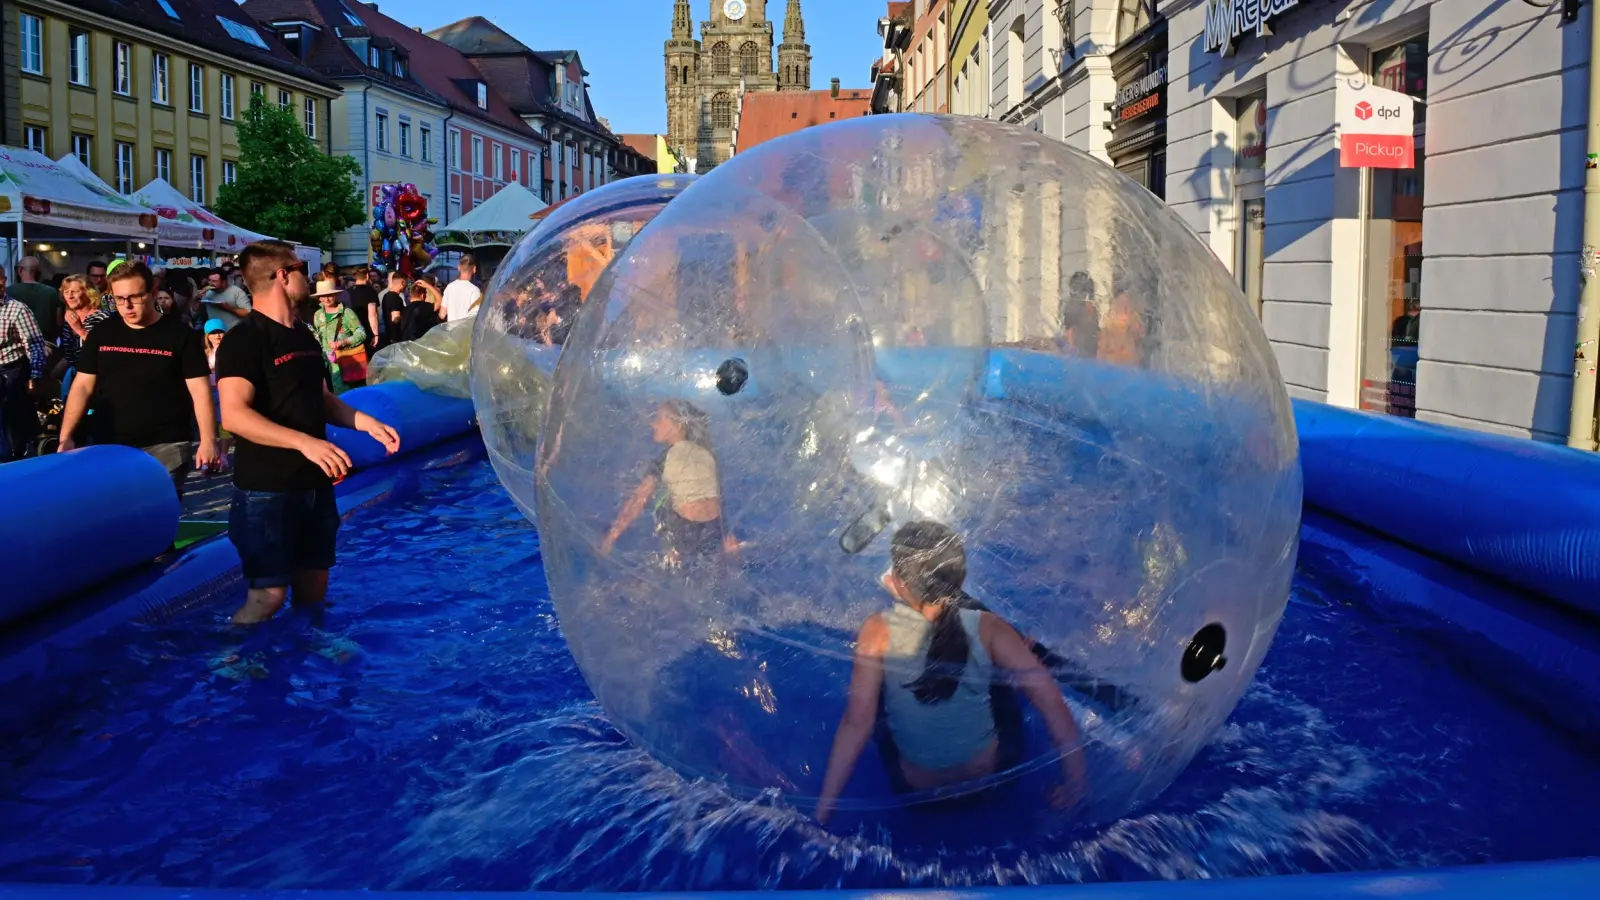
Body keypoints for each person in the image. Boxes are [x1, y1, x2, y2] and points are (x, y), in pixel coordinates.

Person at [813, 521, 1088, 826]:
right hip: (992, 782)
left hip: (918, 797)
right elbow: (1052, 703)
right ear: (961, 577)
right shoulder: (989, 626)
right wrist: (1076, 787)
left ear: (898, 582)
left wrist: (823, 811)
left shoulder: (876, 630)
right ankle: (1008, 659)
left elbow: (856, 725)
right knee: (1001, 674)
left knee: (873, 690)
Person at [218, 241, 399, 626]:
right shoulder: (244, 339)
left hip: (314, 485)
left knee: (314, 587)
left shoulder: (302, 335)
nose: (311, 277)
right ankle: (234, 662)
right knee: (267, 598)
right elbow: (233, 415)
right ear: (283, 275)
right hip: (267, 489)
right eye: (303, 268)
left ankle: (311, 653)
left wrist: (368, 424)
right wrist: (304, 442)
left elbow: (322, 399)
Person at [56, 262, 220, 494]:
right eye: (119, 299)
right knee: (114, 515)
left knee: (155, 516)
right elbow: (82, 386)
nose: (127, 305)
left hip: (167, 445)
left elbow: (200, 391)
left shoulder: (180, 335)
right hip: (109, 442)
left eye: (135, 297)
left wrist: (209, 440)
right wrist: (66, 437)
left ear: (153, 291)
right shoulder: (103, 333)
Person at [600, 400, 739, 568]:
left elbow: (638, 501)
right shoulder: (708, 455)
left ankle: (672, 555)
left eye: (659, 419)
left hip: (682, 529)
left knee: (660, 497)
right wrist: (726, 538)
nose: (653, 423)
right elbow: (718, 498)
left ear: (678, 426)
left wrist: (610, 537)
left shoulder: (666, 458)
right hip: (713, 530)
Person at [0, 267, 47, 461]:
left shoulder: (17, 309)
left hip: (11, 368)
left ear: (4, 280)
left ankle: (13, 455)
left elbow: (34, 343)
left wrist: (34, 376)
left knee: (10, 417)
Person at [308, 279, 368, 394]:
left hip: (344, 362)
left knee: (345, 396)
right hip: (324, 364)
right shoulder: (317, 315)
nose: (326, 299)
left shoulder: (347, 313)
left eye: (329, 295)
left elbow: (361, 333)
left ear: (335, 295)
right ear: (319, 298)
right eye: (323, 296)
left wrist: (343, 342)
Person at [9, 256, 64, 348]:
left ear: (20, 270)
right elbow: (59, 322)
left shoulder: (8, 292)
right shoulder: (52, 292)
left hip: (17, 346)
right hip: (47, 344)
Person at [58, 275, 111, 367]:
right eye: (66, 292)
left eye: (75, 292)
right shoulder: (70, 318)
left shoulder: (102, 317)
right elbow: (69, 355)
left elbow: (105, 349)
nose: (70, 296)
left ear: (89, 293)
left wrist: (79, 329)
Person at [346, 267, 382, 357]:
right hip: (366, 330)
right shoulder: (371, 292)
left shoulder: (348, 292)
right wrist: (376, 334)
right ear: (367, 276)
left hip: (351, 331)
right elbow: (372, 314)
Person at [441, 254, 483, 323]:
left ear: (458, 267)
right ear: (474, 269)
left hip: (451, 332)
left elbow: (442, 314)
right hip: (465, 332)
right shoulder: (474, 290)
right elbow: (474, 318)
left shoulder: (449, 287)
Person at [378, 271, 408, 348]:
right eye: (407, 283)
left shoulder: (386, 295)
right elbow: (396, 319)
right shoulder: (395, 298)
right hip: (395, 340)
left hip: (388, 336)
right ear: (403, 282)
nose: (407, 285)